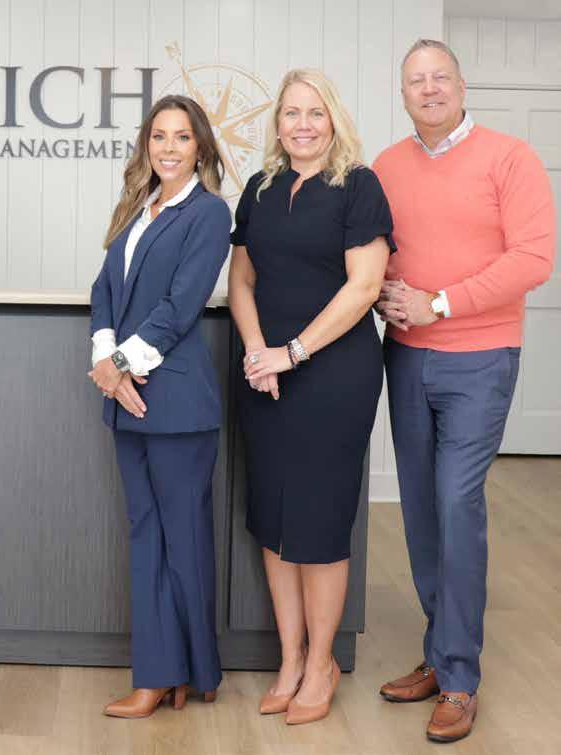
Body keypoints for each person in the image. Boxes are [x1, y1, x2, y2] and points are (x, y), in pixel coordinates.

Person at [373, 39, 555, 744]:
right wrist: (382, 293)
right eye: (416, 80)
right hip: (405, 357)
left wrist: (439, 303)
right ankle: (439, 648)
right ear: (403, 95)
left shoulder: (510, 158)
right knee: (421, 508)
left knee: (456, 502)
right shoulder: (387, 166)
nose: (429, 89)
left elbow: (533, 258)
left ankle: (459, 678)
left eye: (439, 77)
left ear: (461, 84)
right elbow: (376, 254)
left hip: (480, 358)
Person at [228, 69, 393, 725]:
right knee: (274, 518)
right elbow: (241, 280)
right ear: (278, 124)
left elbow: (364, 287)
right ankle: (290, 660)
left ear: (334, 120)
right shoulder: (261, 189)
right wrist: (257, 353)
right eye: (291, 112)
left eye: (315, 112)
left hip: (334, 377)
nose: (302, 124)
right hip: (265, 374)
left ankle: (322, 662)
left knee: (319, 523)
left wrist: (291, 352)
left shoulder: (359, 186)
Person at [88, 94, 231, 718]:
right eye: (158, 136)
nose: (168, 148)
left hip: (176, 404)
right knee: (146, 536)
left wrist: (119, 365)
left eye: (182, 137)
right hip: (128, 402)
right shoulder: (136, 208)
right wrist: (106, 359)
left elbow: (181, 305)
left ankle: (192, 672)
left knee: (184, 540)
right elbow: (104, 290)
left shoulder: (209, 213)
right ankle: (159, 673)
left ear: (200, 147)